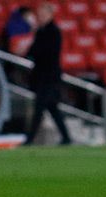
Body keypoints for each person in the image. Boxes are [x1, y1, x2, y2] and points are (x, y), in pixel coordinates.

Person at [25, 3, 72, 146]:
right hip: (41, 76)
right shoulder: (41, 32)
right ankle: (66, 137)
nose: (41, 17)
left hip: (49, 77)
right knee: (52, 108)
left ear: (50, 15)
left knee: (39, 107)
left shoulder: (54, 32)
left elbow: (46, 53)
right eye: (40, 15)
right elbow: (32, 52)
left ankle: (30, 139)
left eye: (43, 15)